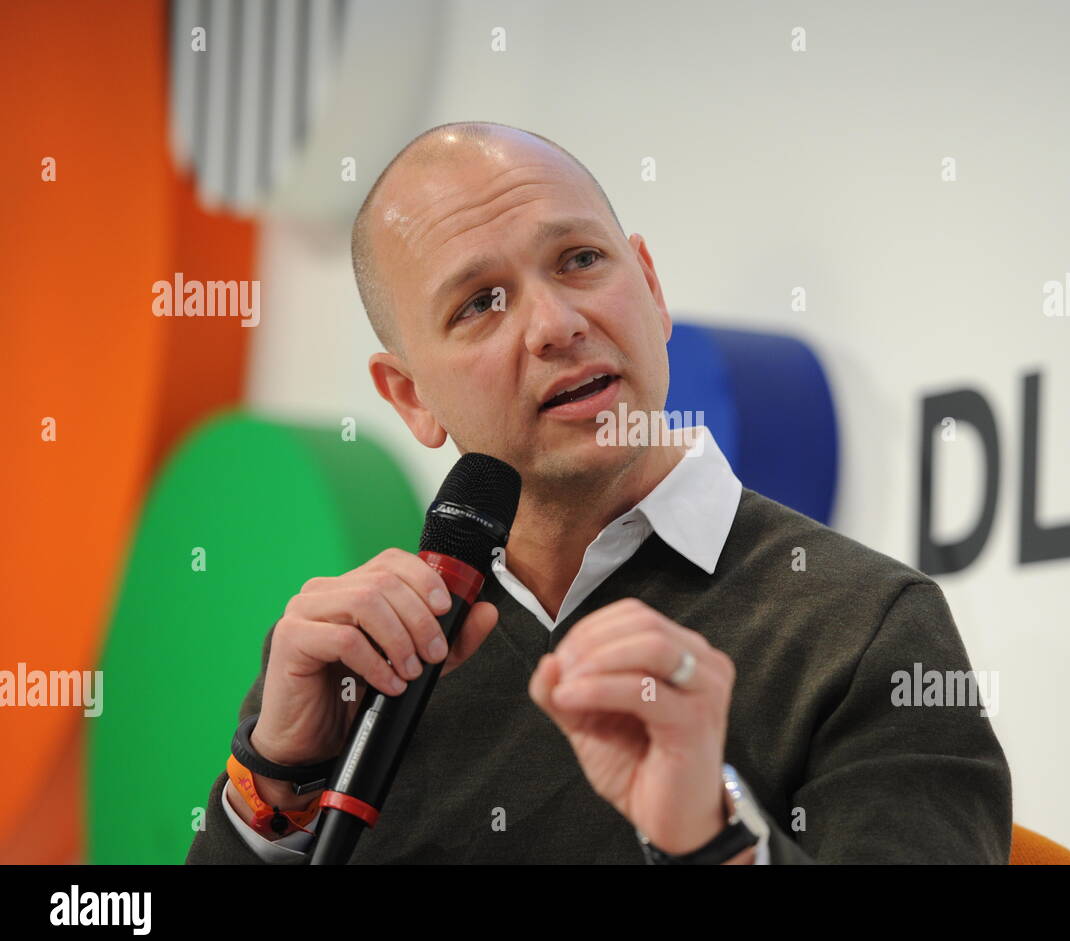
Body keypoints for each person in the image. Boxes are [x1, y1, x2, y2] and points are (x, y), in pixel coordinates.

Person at [186, 121, 1012, 865]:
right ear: (410, 398)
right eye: (481, 303)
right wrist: (274, 785)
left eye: (580, 260)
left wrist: (711, 840)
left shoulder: (860, 623)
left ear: (651, 288)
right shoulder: (372, 662)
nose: (554, 323)